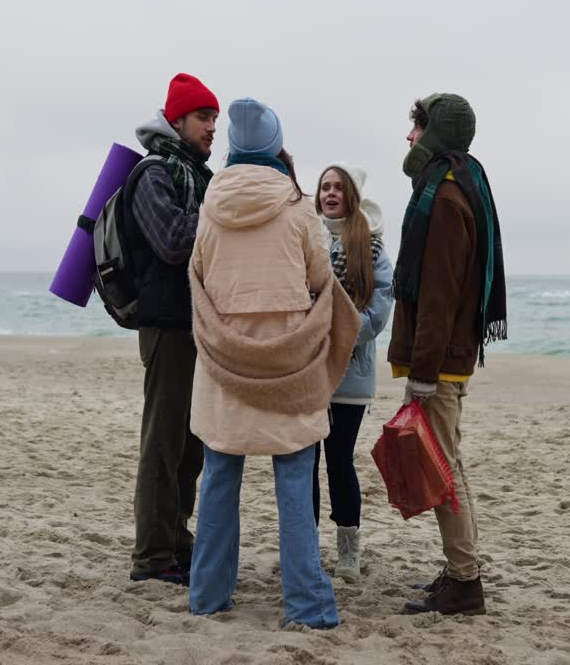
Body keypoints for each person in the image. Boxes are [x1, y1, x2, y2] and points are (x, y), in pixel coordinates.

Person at [187, 98, 359, 628]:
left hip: (223, 360)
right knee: (293, 474)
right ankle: (306, 606)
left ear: (235, 150)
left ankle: (208, 597)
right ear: (275, 148)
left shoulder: (210, 207)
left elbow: (199, 273)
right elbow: (316, 279)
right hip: (288, 362)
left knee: (219, 474)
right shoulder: (297, 206)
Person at [388, 93, 507, 616]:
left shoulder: (444, 197)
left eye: (415, 128)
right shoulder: (464, 183)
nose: (409, 138)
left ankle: (465, 580)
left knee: (443, 469)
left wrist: (422, 373)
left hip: (442, 358)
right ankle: (463, 571)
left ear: (434, 133)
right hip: (454, 354)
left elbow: (438, 294)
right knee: (449, 462)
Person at [125, 73, 219, 585]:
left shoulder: (198, 175)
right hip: (166, 326)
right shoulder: (152, 173)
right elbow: (173, 241)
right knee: (163, 444)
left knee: (192, 446)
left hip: (197, 325)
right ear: (177, 119)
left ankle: (177, 544)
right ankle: (152, 555)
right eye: (204, 118)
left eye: (215, 120)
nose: (212, 129)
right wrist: (224, 216)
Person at [311, 163, 394, 582]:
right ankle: (305, 545)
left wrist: (335, 333)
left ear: (352, 196)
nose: (329, 193)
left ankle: (348, 548)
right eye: (324, 187)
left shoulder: (372, 247)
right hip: (306, 368)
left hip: (351, 370)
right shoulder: (306, 236)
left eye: (338, 188)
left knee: (338, 458)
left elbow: (378, 312)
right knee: (303, 459)